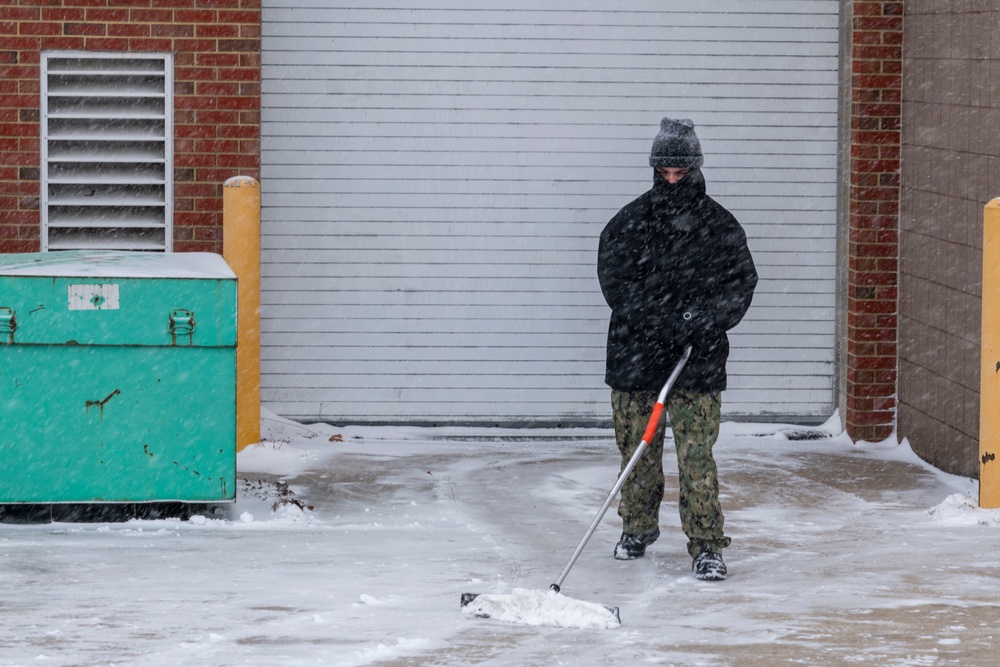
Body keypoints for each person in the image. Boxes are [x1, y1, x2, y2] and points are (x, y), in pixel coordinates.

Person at [597, 118, 757, 580]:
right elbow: (618, 286)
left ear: (695, 168)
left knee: (696, 458)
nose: (671, 179)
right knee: (637, 454)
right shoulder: (629, 223)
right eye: (664, 171)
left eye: (680, 172)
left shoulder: (719, 225)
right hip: (637, 359)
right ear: (653, 169)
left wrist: (706, 320)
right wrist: (667, 322)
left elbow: (740, 283)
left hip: (697, 362)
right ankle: (638, 527)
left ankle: (706, 544)